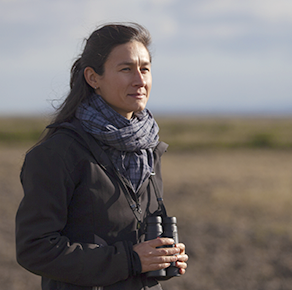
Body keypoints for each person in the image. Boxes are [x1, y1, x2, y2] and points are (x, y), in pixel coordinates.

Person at [15, 23, 188, 290]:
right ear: (93, 78)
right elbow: (35, 248)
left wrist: (162, 255)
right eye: (126, 69)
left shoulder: (148, 150)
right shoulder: (57, 154)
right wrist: (131, 260)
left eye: (145, 68)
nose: (140, 80)